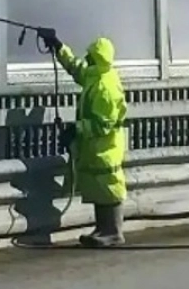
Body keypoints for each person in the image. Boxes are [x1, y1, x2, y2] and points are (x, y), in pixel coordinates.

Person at [42, 31, 129, 248]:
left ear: (96, 58)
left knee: (109, 187)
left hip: (105, 147)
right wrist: (58, 47)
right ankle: (103, 230)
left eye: (90, 56)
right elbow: (76, 69)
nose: (86, 59)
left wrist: (76, 128)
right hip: (97, 147)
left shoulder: (105, 88)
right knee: (99, 188)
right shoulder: (98, 75)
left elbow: (103, 124)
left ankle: (113, 232)